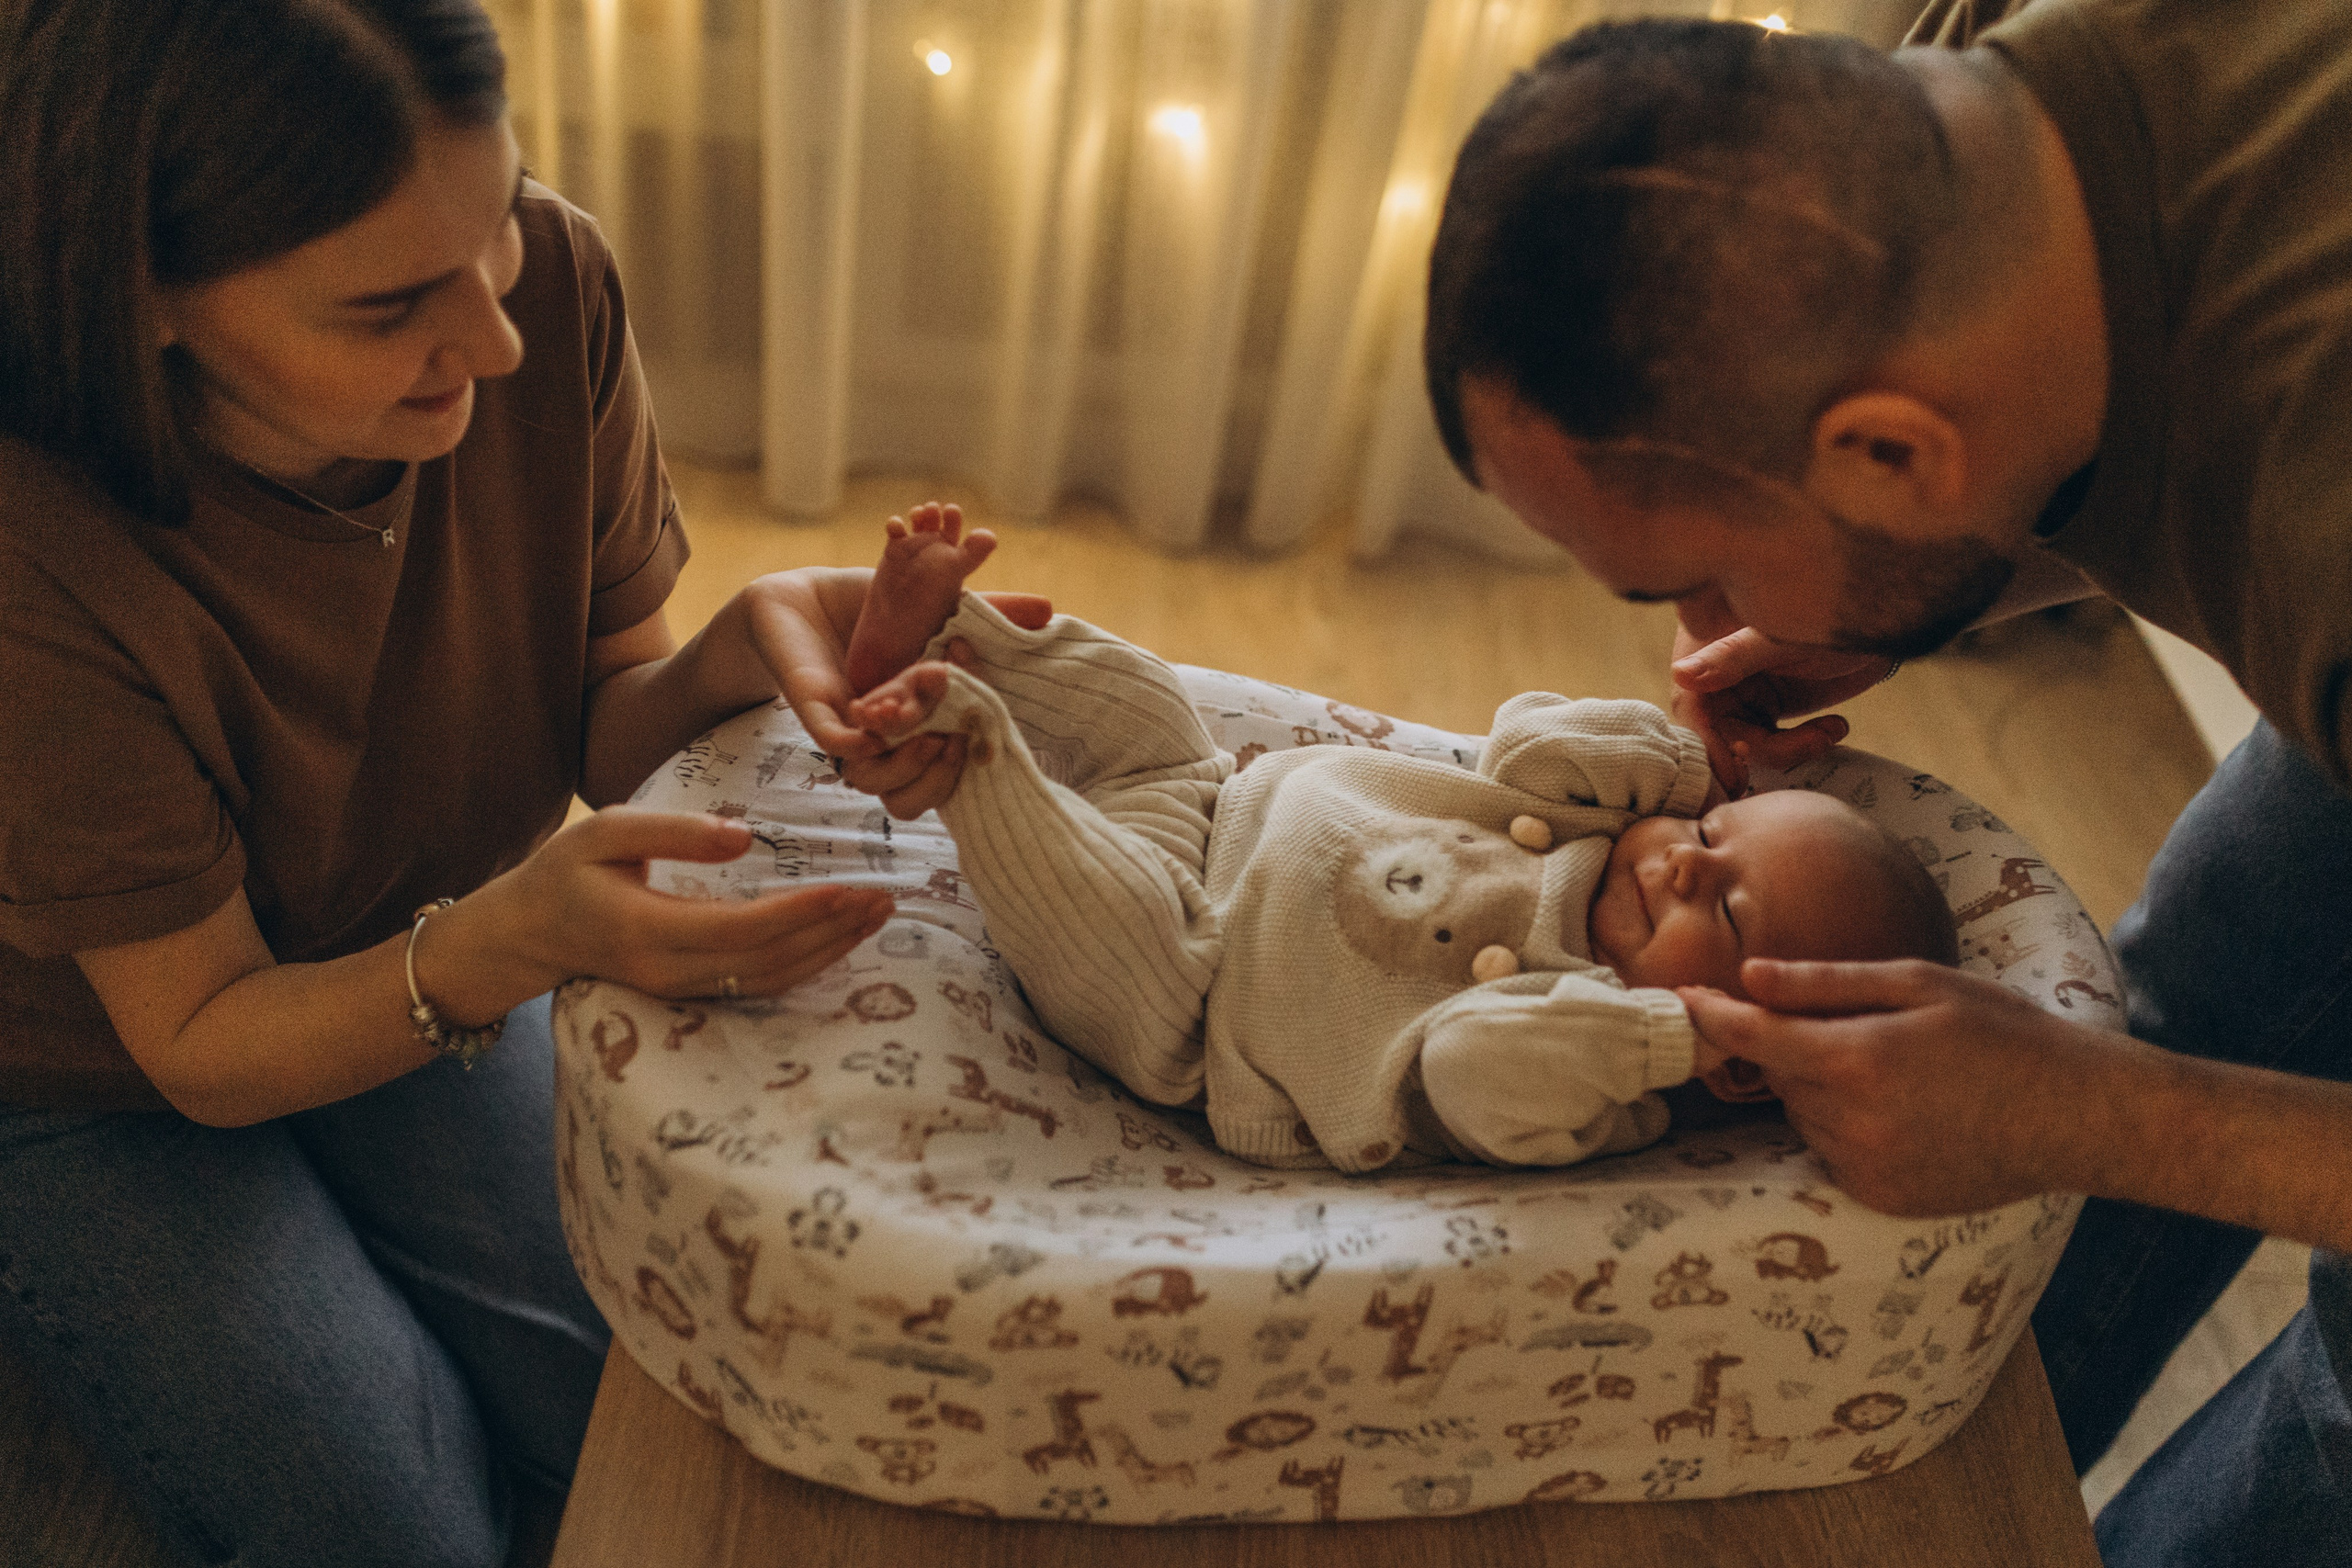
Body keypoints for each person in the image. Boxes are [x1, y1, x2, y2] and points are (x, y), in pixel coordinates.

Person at [0, 5, 1041, 1564]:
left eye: (491, 229)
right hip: (98, 1074)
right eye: (390, 305)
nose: (492, 339)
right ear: (146, 296)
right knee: (402, 1535)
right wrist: (511, 943)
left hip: (416, 935)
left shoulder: (548, 279)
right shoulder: (35, 544)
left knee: (676, 1410)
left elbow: (599, 728)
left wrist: (738, 658)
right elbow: (204, 1045)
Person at [1419, 6, 2352, 1562]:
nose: (1702, 623)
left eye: (1707, 564)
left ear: (1896, 454)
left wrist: (2099, 1119)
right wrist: (1937, 585)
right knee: (2229, 961)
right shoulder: (1970, 97)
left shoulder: (2320, 513)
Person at [832, 503, 1957, 1172]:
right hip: (1209, 797)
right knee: (1144, 701)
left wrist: (1673, 1036)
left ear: (1746, 1059)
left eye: (1727, 906)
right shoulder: (1600, 821)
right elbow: (1521, 736)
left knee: (1092, 903)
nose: (1688, 860)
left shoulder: (1598, 1065)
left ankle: (961, 744)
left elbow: (1468, 1068)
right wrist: (1680, 765)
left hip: (1189, 995)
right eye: (1721, 832)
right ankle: (959, 638)